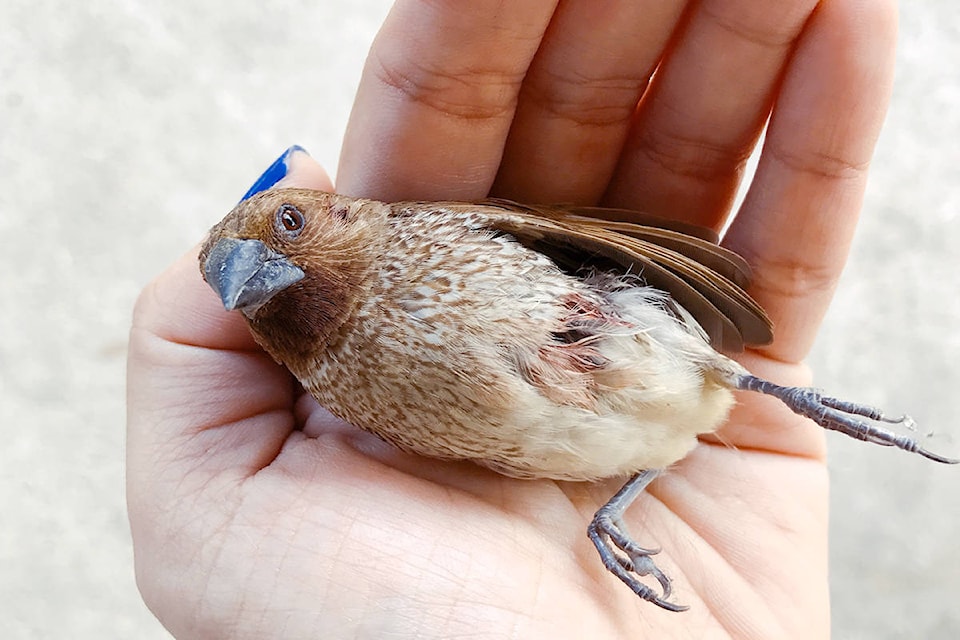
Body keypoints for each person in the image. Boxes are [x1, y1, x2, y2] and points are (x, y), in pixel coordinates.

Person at [126, 1, 897, 637]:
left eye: (287, 226)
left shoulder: (410, 231)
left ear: (342, 211)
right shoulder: (330, 379)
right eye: (241, 284)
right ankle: (615, 515)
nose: (259, 271)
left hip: (639, 337)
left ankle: (790, 398)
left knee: (680, 367)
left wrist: (783, 392)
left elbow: (568, 238)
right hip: (608, 451)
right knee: (644, 443)